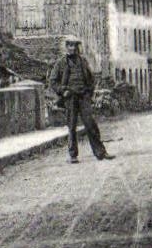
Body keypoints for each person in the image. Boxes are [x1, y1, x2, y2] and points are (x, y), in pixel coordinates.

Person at [48, 36, 114, 164]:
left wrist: (89, 92)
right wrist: (63, 91)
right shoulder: (61, 63)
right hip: (70, 97)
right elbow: (53, 81)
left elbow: (91, 78)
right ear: (66, 47)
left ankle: (100, 152)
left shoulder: (83, 61)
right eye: (70, 45)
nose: (72, 48)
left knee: (90, 124)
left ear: (77, 47)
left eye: (74, 45)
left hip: (83, 96)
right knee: (72, 126)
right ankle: (73, 155)